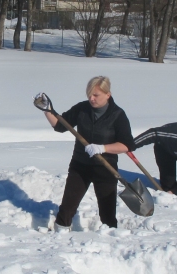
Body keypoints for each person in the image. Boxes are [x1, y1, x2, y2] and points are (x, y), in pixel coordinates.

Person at [35, 76, 135, 229]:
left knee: (107, 213)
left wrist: (103, 148)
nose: (91, 98)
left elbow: (127, 145)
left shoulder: (118, 115)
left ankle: (111, 240)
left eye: (96, 95)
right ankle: (59, 235)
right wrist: (47, 110)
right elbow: (61, 126)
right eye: (89, 95)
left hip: (106, 168)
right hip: (80, 165)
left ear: (108, 94)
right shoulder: (82, 109)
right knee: (67, 208)